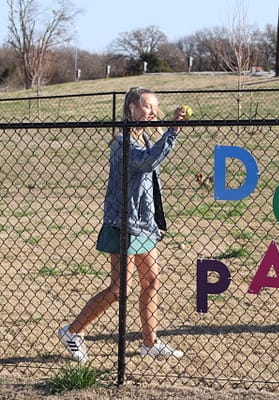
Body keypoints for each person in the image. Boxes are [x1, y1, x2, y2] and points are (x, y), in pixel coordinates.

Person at [58, 87, 185, 362]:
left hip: (143, 223)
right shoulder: (123, 142)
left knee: (151, 281)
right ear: (130, 108)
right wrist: (173, 132)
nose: (152, 112)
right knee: (119, 289)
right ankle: (72, 331)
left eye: (155, 107)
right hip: (123, 223)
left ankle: (149, 343)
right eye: (147, 106)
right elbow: (146, 163)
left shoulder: (146, 138)